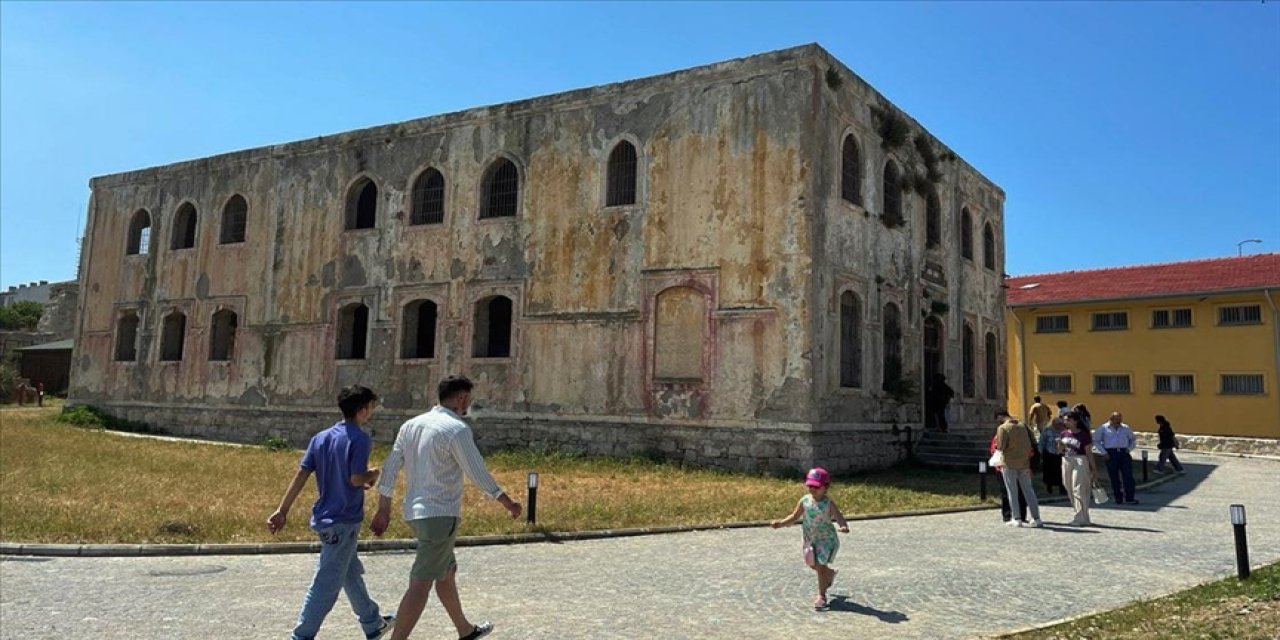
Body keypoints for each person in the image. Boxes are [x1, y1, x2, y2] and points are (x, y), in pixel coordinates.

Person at [371, 375, 522, 640]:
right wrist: (506, 501)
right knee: (420, 584)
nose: (468, 405)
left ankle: (465, 630)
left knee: (446, 572)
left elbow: (391, 467)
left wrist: (384, 508)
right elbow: (476, 471)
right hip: (440, 515)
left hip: (415, 514)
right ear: (461, 398)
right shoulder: (456, 429)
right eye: (468, 399)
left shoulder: (410, 425)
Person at [267, 385, 394, 640]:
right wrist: (373, 473)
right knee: (326, 583)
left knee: (349, 572)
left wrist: (283, 509)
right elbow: (355, 478)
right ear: (362, 410)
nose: (372, 412)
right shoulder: (359, 438)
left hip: (325, 517)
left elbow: (301, 474)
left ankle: (372, 623)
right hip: (344, 520)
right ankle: (302, 635)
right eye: (371, 407)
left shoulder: (321, 438)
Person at [771, 467, 849, 610]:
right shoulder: (805, 501)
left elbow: (838, 516)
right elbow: (794, 516)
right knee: (812, 564)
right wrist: (781, 523)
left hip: (826, 540)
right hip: (810, 540)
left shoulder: (828, 503)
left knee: (820, 566)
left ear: (826, 487)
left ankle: (821, 596)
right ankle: (829, 574)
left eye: (816, 486)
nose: (812, 489)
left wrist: (843, 526)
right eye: (810, 486)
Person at [996, 411, 1042, 527]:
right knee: (1029, 491)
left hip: (1009, 463)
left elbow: (1001, 447)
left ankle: (1017, 518)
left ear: (1000, 417)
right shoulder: (1023, 425)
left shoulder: (1003, 428)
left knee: (1012, 491)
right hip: (1025, 462)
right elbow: (1033, 441)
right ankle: (1036, 518)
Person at [1057, 410, 1096, 526]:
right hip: (1066, 460)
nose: (1066, 422)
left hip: (1080, 460)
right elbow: (1059, 451)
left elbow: (1089, 452)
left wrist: (1093, 468)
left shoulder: (1083, 435)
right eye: (1065, 420)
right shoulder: (1063, 434)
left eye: (1068, 420)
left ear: (1075, 421)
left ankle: (1079, 518)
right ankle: (1083, 516)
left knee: (1078, 488)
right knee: (1068, 486)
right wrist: (1060, 445)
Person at [989, 414, 1027, 524]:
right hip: (1014, 464)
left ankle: (1013, 515)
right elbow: (994, 449)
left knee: (1011, 491)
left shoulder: (1004, 431)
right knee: (1013, 491)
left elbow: (998, 448)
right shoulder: (1021, 431)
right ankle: (1015, 515)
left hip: (1007, 465)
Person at [1093, 412, 1138, 504]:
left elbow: (1133, 439)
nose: (1119, 422)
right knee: (1114, 476)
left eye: (1120, 419)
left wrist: (1129, 449)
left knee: (1128, 476)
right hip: (1111, 453)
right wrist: (1103, 452)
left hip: (1123, 452)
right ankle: (1118, 497)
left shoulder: (1125, 428)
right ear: (1111, 419)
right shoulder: (1103, 428)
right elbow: (1096, 441)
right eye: (1116, 420)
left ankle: (1130, 498)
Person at [1039, 417, 1066, 495]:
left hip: (1060, 454)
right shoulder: (1047, 430)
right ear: (1053, 424)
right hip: (1049, 453)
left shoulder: (1064, 430)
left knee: (1061, 471)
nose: (1060, 425)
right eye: (1058, 424)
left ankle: (1062, 488)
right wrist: (1041, 452)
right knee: (1049, 472)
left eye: (1061, 424)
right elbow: (1042, 442)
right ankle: (1049, 487)